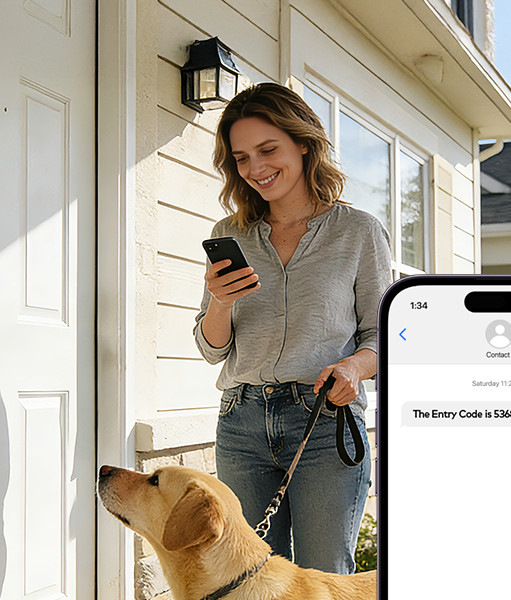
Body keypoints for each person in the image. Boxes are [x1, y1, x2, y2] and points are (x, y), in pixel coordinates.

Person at [193, 82, 389, 574]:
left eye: (267, 149)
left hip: (324, 421)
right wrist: (220, 303)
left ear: (303, 143)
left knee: (323, 576)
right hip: (241, 423)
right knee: (250, 578)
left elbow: (387, 337)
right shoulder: (228, 235)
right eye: (241, 158)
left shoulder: (358, 232)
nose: (255, 168)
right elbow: (212, 348)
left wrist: (354, 368)